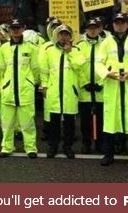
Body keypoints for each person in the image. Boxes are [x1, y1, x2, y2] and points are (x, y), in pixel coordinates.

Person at [96, 13, 128, 167]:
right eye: (117, 22)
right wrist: (107, 74)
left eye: (122, 22)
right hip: (113, 84)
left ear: (127, 24)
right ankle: (108, 154)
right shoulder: (106, 42)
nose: (120, 25)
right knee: (111, 119)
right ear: (113, 24)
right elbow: (99, 63)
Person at [0, 18, 39, 158]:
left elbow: (36, 69)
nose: (15, 30)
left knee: (27, 122)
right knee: (7, 123)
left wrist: (31, 82)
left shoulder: (31, 48)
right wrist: (2, 86)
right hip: (8, 91)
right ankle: (7, 147)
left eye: (18, 27)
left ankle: (30, 147)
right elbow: (0, 70)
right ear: (9, 30)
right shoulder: (2, 48)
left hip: (25, 90)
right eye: (13, 28)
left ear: (23, 28)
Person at [40, 24, 81, 159]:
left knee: (69, 122)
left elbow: (79, 66)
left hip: (70, 91)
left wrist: (70, 52)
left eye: (66, 34)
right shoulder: (49, 50)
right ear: (57, 36)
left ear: (70, 36)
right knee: (54, 123)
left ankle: (68, 147)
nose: (64, 37)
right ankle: (53, 146)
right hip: (54, 91)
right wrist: (45, 86)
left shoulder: (76, 50)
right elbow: (44, 71)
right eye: (61, 34)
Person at [76, 19, 104, 154]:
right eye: (89, 28)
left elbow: (109, 65)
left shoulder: (105, 45)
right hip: (85, 90)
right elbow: (78, 67)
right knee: (85, 120)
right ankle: (86, 143)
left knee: (101, 120)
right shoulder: (80, 46)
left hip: (101, 90)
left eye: (95, 28)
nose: (92, 30)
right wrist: (84, 83)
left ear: (99, 29)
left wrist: (101, 83)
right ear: (85, 29)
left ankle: (99, 143)